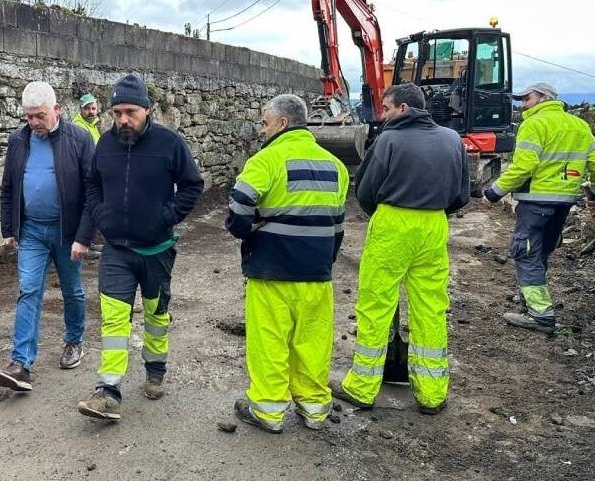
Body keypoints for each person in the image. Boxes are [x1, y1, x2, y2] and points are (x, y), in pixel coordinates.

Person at [331, 83, 470, 415]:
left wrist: (383, 213)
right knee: (431, 306)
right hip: (435, 226)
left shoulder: (389, 140)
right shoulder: (452, 140)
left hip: (394, 224)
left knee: (376, 304)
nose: (384, 114)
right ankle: (432, 393)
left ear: (405, 108)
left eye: (388, 108)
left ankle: (362, 387)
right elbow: (463, 193)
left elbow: (364, 190)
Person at [77, 73, 204, 421]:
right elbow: (92, 183)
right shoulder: (105, 144)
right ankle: (109, 390)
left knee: (156, 316)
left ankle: (155, 370)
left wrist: (166, 216)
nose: (122, 120)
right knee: (114, 321)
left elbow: (193, 186)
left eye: (130, 112)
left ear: (147, 110)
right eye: (117, 112)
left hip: (157, 250)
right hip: (117, 251)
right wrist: (102, 216)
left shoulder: (169, 143)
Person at [226, 94, 349, 434]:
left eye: (264, 123)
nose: (262, 131)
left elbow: (238, 207)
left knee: (270, 341)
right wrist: (326, 259)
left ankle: (268, 410)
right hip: (316, 273)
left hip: (272, 270)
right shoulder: (335, 166)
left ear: (281, 123)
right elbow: (338, 225)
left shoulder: (265, 161)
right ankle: (314, 409)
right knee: (312, 341)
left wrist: (244, 229)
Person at [0, 81, 96, 392]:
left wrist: (84, 236)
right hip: (33, 231)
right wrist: (10, 229)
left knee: (72, 290)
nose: (34, 123)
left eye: (39, 116)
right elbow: (9, 187)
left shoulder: (79, 139)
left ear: (56, 110)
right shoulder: (18, 141)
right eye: (28, 117)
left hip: (67, 232)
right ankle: (21, 363)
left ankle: (74, 341)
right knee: (29, 291)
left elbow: (93, 190)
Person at [483, 82, 595, 333]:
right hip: (565, 201)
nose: (523, 104)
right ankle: (530, 297)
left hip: (536, 200)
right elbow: (593, 163)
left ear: (544, 97)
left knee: (525, 252)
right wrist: (593, 194)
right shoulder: (580, 126)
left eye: (527, 98)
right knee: (541, 250)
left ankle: (541, 314)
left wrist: (494, 192)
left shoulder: (534, 124)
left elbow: (524, 167)